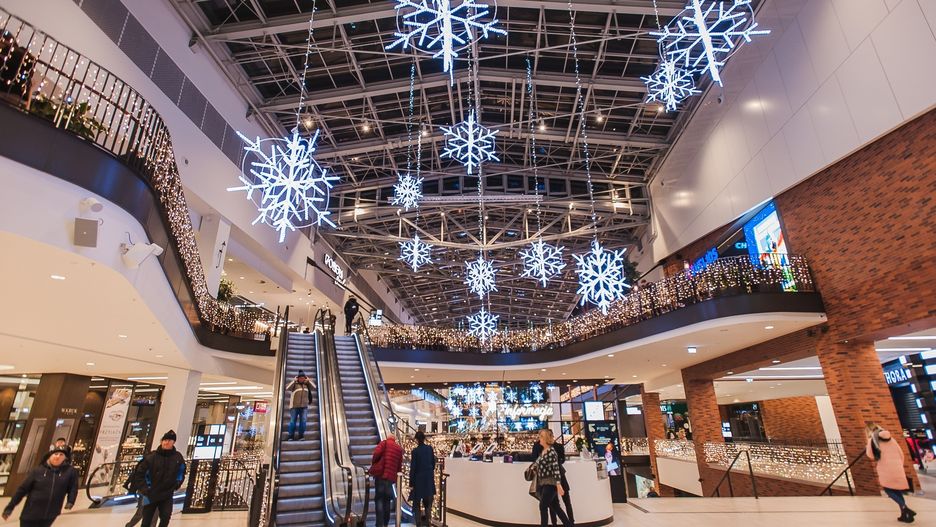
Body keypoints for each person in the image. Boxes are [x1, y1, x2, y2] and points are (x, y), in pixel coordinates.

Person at [2, 446, 77, 527]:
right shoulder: (38, 471)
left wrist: (71, 501)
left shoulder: (69, 472)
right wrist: (9, 507)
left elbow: (73, 487)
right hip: (31, 514)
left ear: (65, 458)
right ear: (50, 456)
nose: (58, 456)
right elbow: (22, 490)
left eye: (61, 455)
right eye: (55, 454)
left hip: (51, 514)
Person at [129, 430, 186, 527]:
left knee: (166, 516)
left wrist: (176, 484)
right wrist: (145, 488)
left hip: (167, 493)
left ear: (173, 442)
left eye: (169, 440)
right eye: (165, 440)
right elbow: (140, 474)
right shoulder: (151, 457)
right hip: (150, 493)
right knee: (146, 519)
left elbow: (181, 471)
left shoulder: (177, 457)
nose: (166, 442)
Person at [867, 426, 917, 523]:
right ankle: (904, 515)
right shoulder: (892, 439)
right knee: (897, 490)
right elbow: (901, 453)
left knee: (888, 489)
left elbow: (870, 455)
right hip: (897, 467)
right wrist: (899, 465)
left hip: (885, 468)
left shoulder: (872, 440)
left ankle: (905, 508)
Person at [532, 429, 571, 527]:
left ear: (545, 439)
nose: (539, 439)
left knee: (543, 506)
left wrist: (558, 485)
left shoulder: (551, 452)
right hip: (544, 483)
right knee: (556, 507)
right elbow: (537, 463)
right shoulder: (544, 451)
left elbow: (556, 469)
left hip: (550, 484)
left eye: (541, 437)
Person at [369, 435, 403, 527]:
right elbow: (399, 465)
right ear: (395, 439)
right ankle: (386, 523)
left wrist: (374, 463)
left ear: (388, 438)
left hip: (380, 476)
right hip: (390, 478)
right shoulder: (399, 449)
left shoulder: (384, 443)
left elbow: (376, 454)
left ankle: (379, 524)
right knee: (387, 500)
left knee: (379, 499)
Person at [408, 432, 436, 527]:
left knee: (416, 504)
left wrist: (411, 483)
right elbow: (433, 463)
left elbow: (413, 468)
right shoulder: (429, 449)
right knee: (428, 504)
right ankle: (428, 523)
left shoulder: (415, 451)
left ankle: (418, 524)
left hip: (418, 480)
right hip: (428, 480)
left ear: (416, 440)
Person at [285, 370, 316, 441]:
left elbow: (314, 387)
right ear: (298, 378)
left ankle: (301, 436)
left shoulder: (307, 385)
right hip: (294, 407)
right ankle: (291, 436)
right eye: (300, 378)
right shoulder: (295, 384)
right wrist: (293, 381)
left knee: (303, 421)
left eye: (303, 378)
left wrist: (309, 380)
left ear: (305, 378)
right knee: (292, 421)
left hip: (304, 407)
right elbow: (287, 388)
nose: (301, 379)